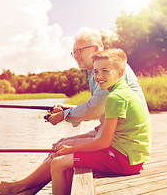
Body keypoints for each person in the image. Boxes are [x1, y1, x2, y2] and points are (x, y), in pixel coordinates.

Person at [0, 28, 147, 195]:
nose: (76, 56)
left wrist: (64, 116)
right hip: (112, 133)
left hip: (120, 141)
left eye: (79, 51)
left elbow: (95, 108)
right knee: (60, 145)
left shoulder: (112, 69)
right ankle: (25, 191)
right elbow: (98, 105)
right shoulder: (98, 73)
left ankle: (18, 188)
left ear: (96, 49)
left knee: (61, 149)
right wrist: (68, 109)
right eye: (73, 52)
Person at [51, 48, 151, 194]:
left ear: (120, 72)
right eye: (96, 72)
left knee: (57, 163)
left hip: (123, 161)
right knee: (67, 164)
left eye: (105, 71)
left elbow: (104, 143)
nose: (99, 76)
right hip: (133, 158)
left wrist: (71, 149)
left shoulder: (114, 98)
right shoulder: (124, 91)